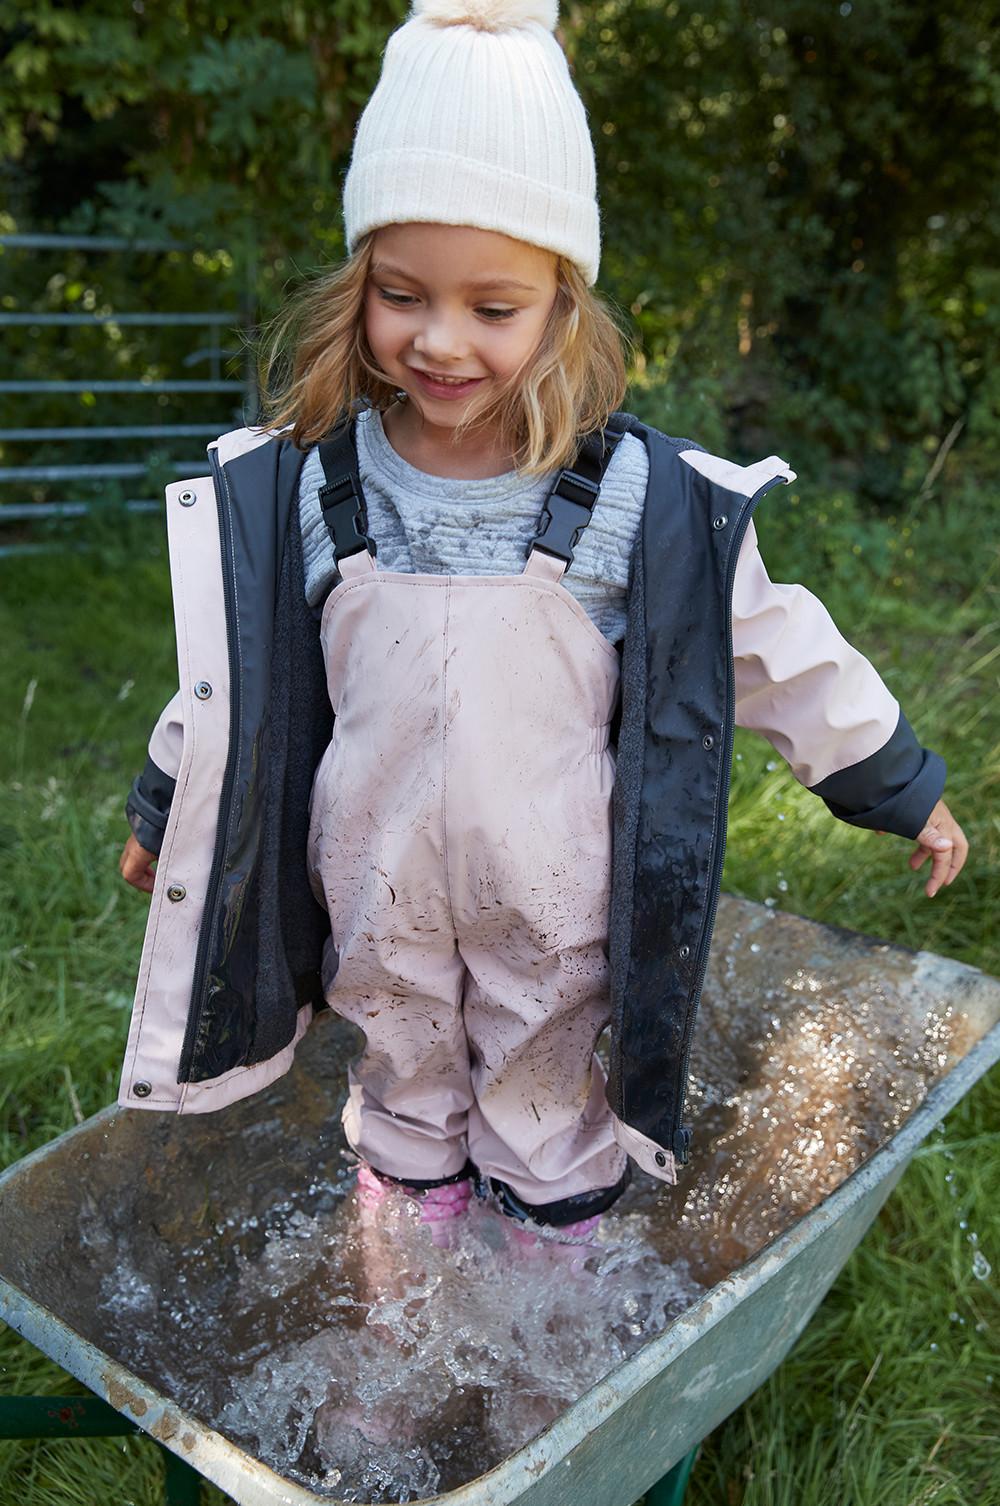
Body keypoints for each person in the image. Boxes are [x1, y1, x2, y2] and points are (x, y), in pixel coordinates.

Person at [117, 0, 968, 1254]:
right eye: (402, 296)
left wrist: (898, 784)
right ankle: (403, 1329)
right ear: (359, 287)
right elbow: (231, 677)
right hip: (371, 881)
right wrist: (160, 809)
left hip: (555, 897)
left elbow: (776, 644)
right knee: (401, 1101)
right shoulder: (316, 482)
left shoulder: (632, 495)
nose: (440, 340)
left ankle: (544, 1346)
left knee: (545, 1106)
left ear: (564, 306)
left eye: (491, 307)